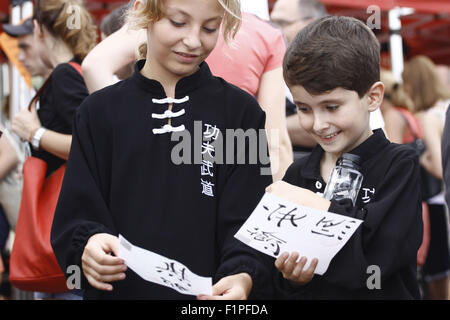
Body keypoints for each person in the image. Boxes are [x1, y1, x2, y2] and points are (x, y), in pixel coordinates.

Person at [50, 0, 273, 300]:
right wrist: (89, 244)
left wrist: (243, 275)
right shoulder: (98, 112)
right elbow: (76, 214)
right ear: (145, 13)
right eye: (178, 22)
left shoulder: (239, 113)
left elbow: (251, 220)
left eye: (209, 28)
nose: (193, 41)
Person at [266, 16, 423, 299]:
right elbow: (276, 271)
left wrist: (316, 205)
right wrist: (292, 280)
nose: (318, 124)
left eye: (332, 106)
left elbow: (377, 261)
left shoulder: (400, 166)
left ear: (373, 97)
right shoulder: (297, 175)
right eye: (304, 108)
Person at [11, 0, 97, 299]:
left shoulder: (64, 75)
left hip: (63, 222)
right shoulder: (74, 72)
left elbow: (89, 146)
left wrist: (35, 133)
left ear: (39, 30)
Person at [402, 55, 450, 300]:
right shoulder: (445, 108)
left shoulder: (430, 117)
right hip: (441, 199)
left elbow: (441, 166)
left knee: (437, 268)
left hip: (437, 200)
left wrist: (418, 157)